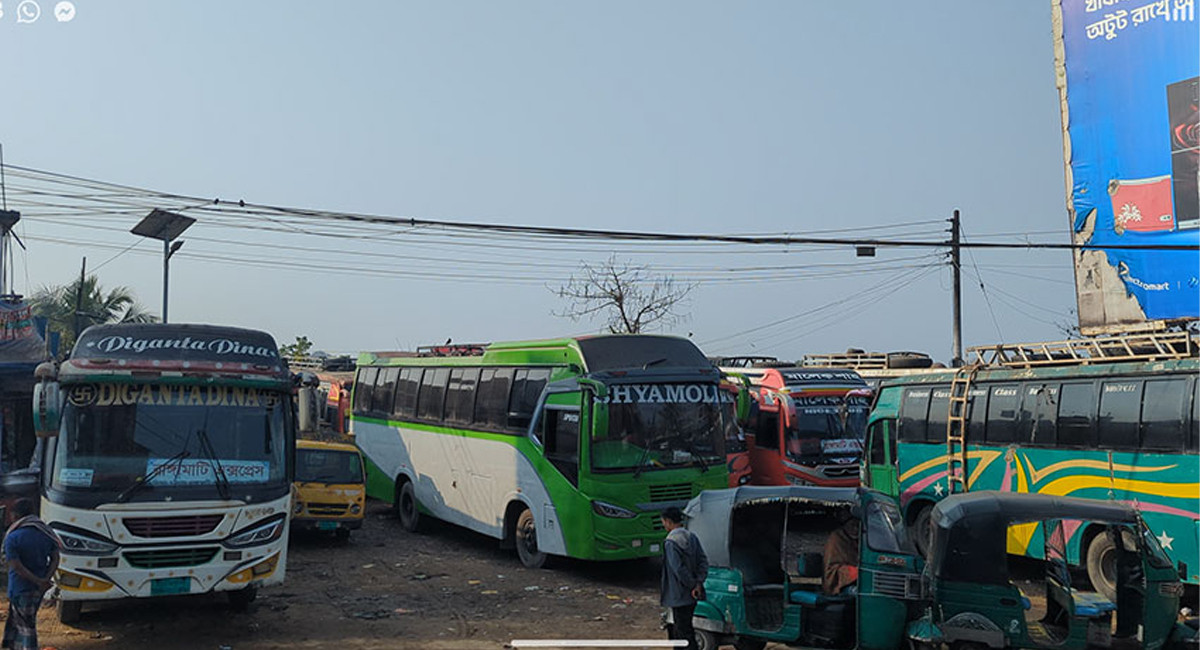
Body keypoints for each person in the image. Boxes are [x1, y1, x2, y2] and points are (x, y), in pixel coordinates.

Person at [3, 499, 61, 650]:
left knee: (26, 627)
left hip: (20, 587)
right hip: (38, 589)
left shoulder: (13, 537)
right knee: (19, 622)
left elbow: (16, 566)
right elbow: (55, 558)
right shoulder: (46, 533)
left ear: (15, 515)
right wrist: (45, 579)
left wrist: (37, 581)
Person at [660, 506, 708, 650]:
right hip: (693, 595)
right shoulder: (692, 537)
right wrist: (698, 583)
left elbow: (677, 569)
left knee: (682, 633)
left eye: (663, 521)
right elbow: (703, 561)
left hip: (678, 594)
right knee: (686, 629)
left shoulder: (671, 542)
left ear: (668, 521)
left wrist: (692, 584)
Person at [822, 506, 860, 595]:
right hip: (838, 583)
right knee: (857, 593)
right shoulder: (836, 539)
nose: (855, 529)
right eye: (852, 525)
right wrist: (854, 572)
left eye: (858, 526)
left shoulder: (859, 540)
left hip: (856, 581)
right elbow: (830, 570)